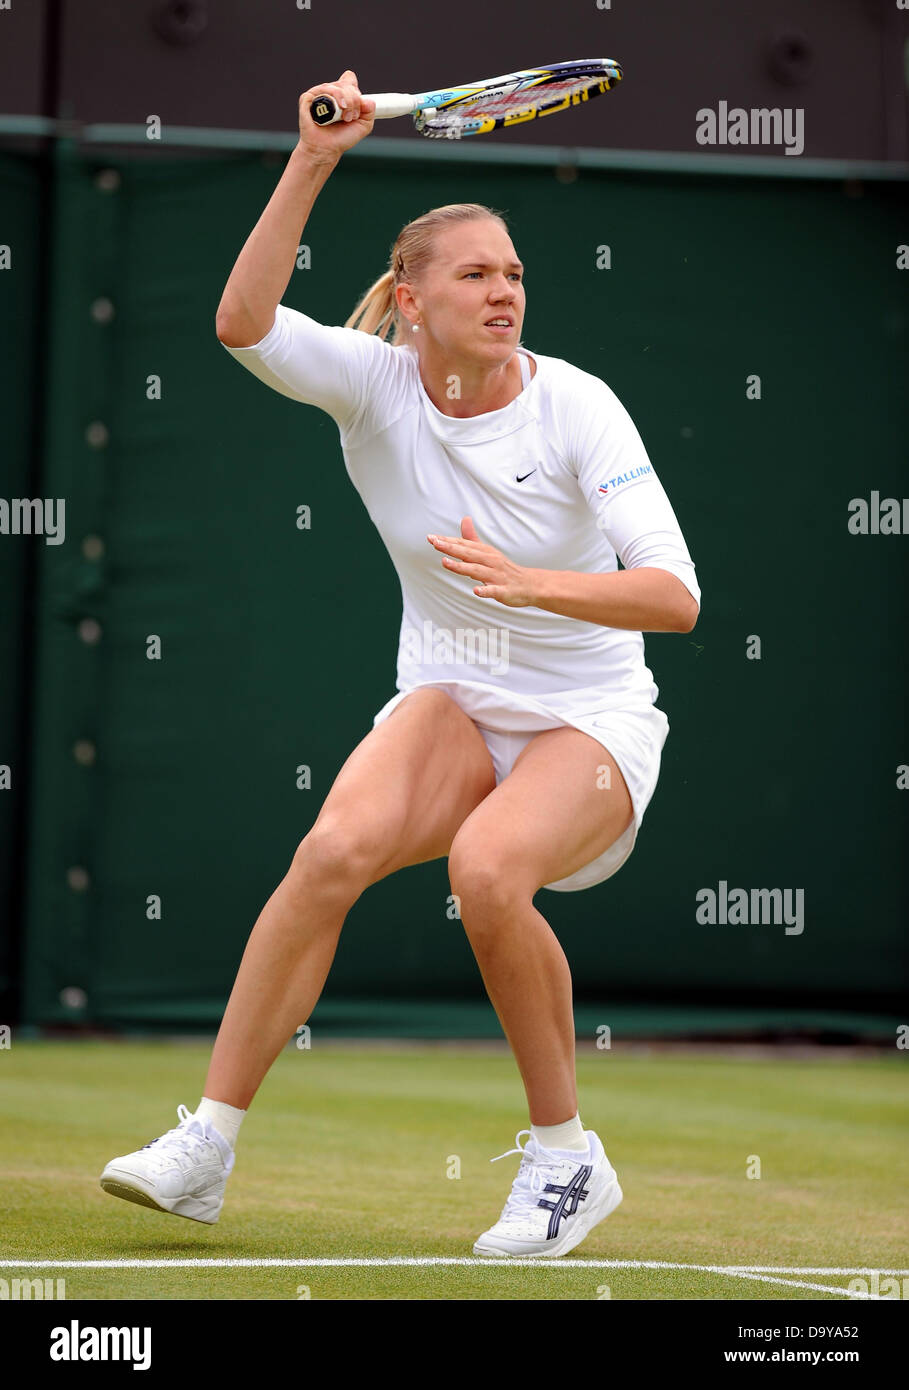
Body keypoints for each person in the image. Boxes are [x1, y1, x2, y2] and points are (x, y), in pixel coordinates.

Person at [99, 71, 700, 1259]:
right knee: (329, 850)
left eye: (516, 272)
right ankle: (207, 1145)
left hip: (594, 724)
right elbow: (239, 324)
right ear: (409, 299)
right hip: (451, 703)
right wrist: (314, 157)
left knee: (485, 870)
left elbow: (675, 598)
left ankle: (566, 1161)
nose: (504, 291)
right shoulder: (374, 388)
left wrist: (535, 584)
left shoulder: (581, 408)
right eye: (476, 273)